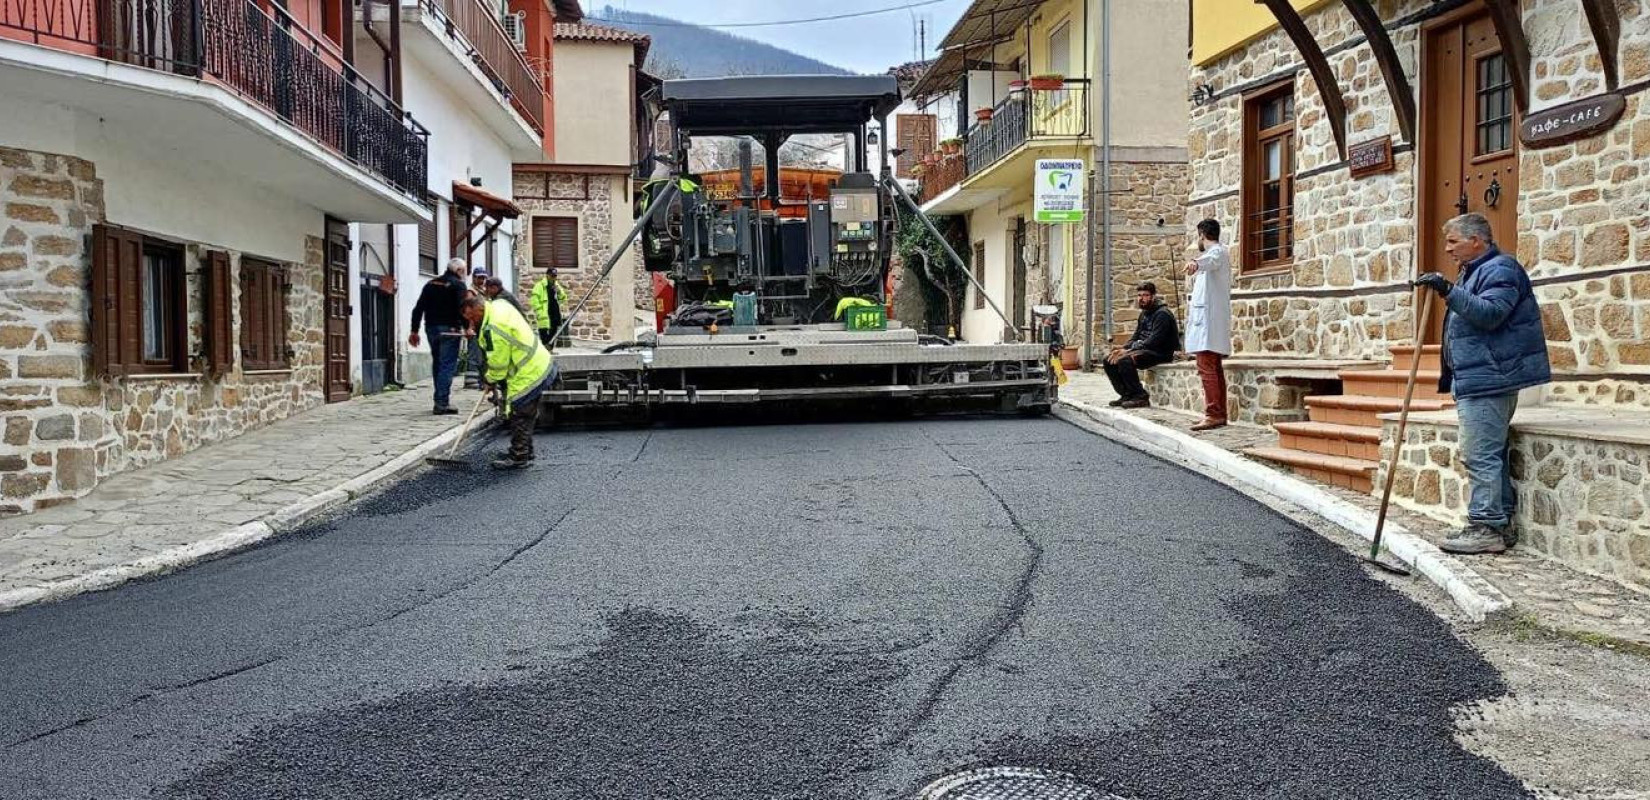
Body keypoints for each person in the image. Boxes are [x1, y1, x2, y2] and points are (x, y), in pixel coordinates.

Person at [1414, 213, 1550, 555]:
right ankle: (1497, 524)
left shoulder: (1501, 269)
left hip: (1491, 378)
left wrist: (1447, 290)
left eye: (1453, 241)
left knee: (1481, 455)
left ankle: (1486, 527)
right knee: (1489, 454)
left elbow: (1490, 314)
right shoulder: (1476, 272)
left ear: (1477, 240)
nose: (1447, 250)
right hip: (1478, 376)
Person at [459, 295, 555, 470]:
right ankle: (526, 451)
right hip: (536, 361)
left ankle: (519, 457)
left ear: (479, 310)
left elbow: (499, 362)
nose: (472, 323)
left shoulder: (494, 327)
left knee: (520, 413)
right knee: (525, 412)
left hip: (529, 370)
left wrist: (490, 380)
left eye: (472, 318)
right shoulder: (497, 305)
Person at [1183, 218, 1232, 431]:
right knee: (1214, 370)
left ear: (1202, 235)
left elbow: (1208, 260)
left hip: (1209, 328)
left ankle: (1213, 413)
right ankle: (1217, 412)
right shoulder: (1215, 255)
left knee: (1207, 370)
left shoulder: (1217, 253)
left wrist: (1195, 262)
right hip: (1208, 326)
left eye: (1198, 237)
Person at [1103, 282, 1180, 409]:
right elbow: (1136, 336)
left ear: (1153, 296)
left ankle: (1140, 396)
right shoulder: (1143, 314)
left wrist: (1129, 351)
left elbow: (1154, 340)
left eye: (1145, 295)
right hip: (1145, 350)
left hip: (1160, 352)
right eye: (1139, 295)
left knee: (1125, 360)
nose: (1141, 298)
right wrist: (1123, 349)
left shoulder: (1163, 314)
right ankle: (1127, 394)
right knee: (1109, 360)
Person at [409, 258, 468, 415]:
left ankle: (439, 400)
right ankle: (442, 403)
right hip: (450, 329)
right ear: (459, 271)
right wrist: (468, 328)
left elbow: (418, 308)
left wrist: (414, 330)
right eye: (464, 271)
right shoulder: (458, 285)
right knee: (447, 365)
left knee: (438, 364)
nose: (465, 274)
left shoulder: (431, 284)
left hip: (432, 329)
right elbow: (463, 309)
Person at [461, 269, 491, 389]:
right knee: (474, 353)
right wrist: (469, 328)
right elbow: (470, 313)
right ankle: (471, 380)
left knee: (482, 354)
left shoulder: (483, 292)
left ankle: (480, 379)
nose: (481, 280)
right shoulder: (471, 292)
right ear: (473, 278)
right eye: (479, 278)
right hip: (474, 327)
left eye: (483, 278)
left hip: (482, 327)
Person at [529, 268, 570, 347]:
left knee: (554, 331)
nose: (553, 278)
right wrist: (539, 312)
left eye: (555, 276)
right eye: (552, 276)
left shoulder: (556, 285)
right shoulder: (539, 285)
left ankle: (550, 348)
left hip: (555, 312)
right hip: (544, 313)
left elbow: (563, 298)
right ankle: (545, 348)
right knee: (543, 332)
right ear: (547, 275)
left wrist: (558, 291)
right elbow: (534, 300)